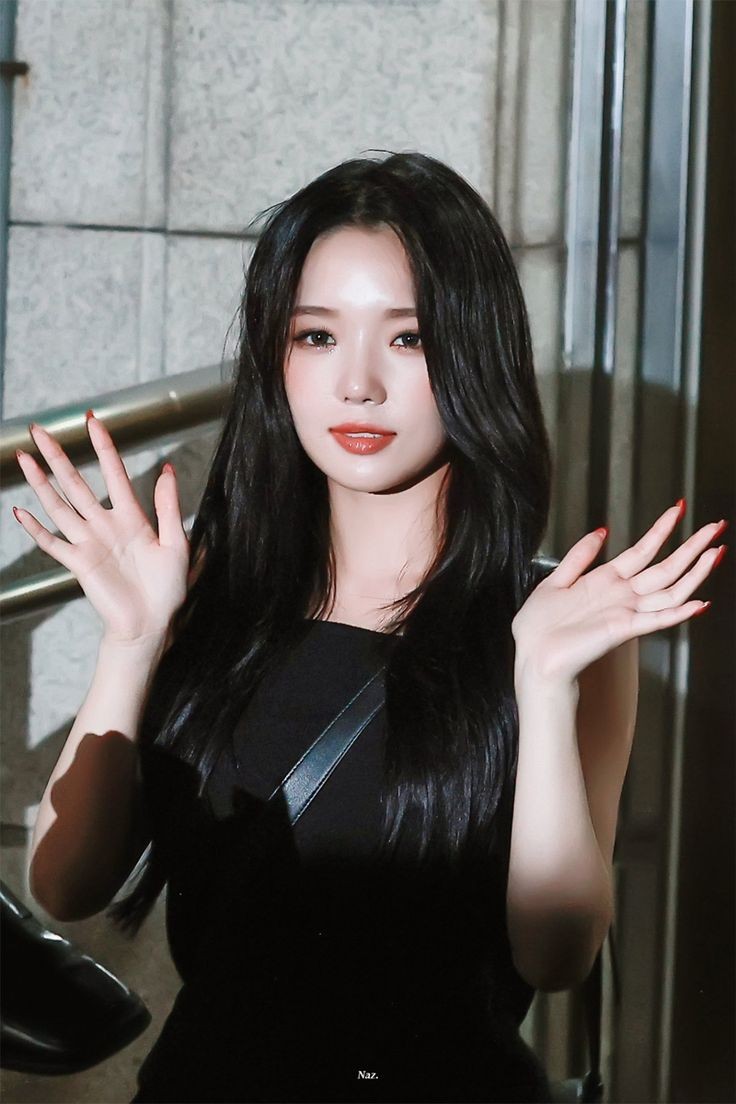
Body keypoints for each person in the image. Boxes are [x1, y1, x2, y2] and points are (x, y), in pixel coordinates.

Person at [15, 151, 727, 1104]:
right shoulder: (210, 598)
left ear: (473, 352)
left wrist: (544, 686)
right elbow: (66, 888)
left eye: (408, 338)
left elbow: (555, 953)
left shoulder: (553, 622)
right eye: (316, 335)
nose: (356, 384)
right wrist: (133, 641)